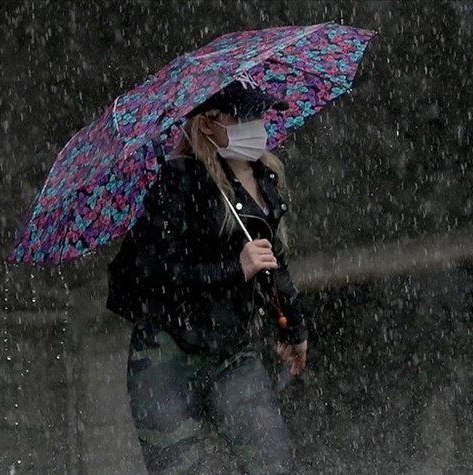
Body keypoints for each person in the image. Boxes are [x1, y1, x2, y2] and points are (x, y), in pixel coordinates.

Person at [106, 72, 309, 474]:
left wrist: (294, 328)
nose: (257, 127)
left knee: (273, 463)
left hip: (230, 349)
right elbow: (156, 271)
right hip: (166, 353)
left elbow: (274, 261)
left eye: (261, 115)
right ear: (206, 124)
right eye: (243, 118)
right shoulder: (177, 182)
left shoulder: (265, 181)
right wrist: (234, 269)